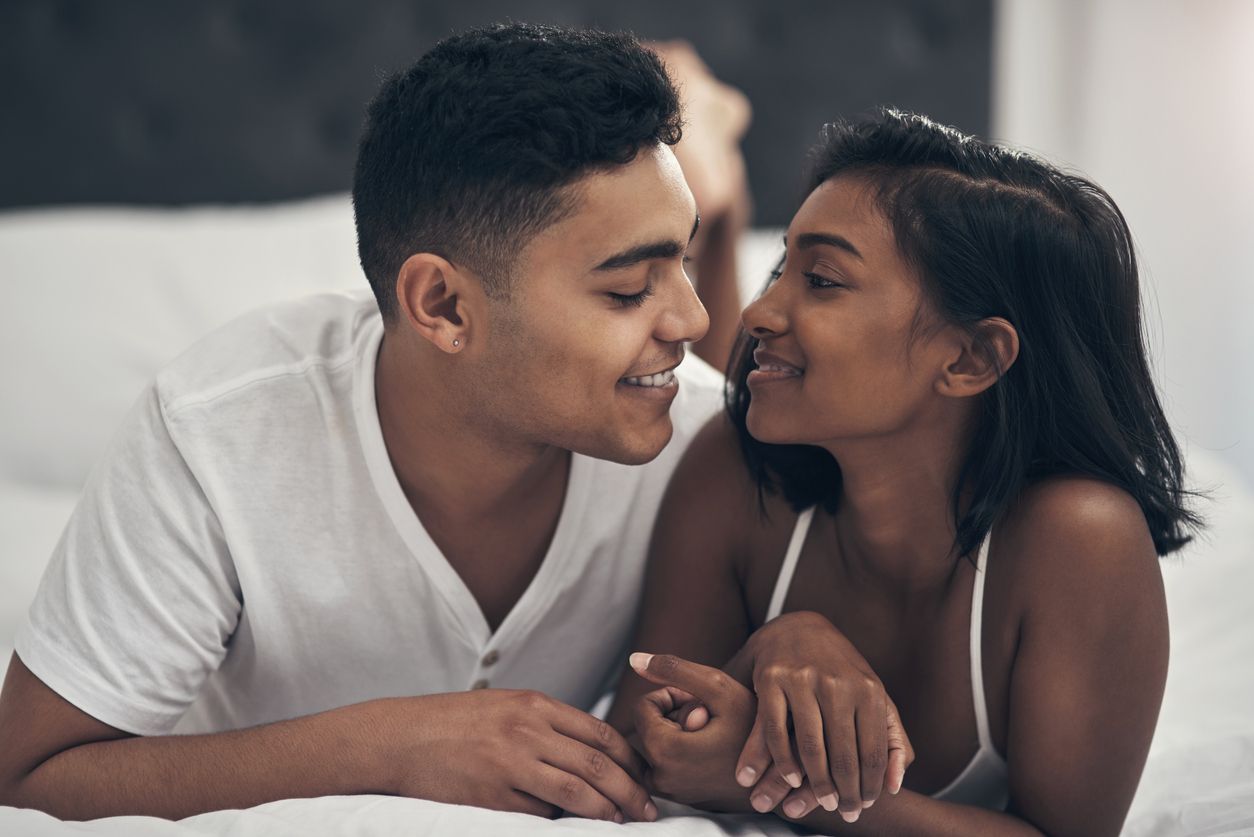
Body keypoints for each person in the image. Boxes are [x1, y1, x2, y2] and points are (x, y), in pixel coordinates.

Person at [0, 23, 765, 823]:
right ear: (442, 305)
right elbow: (28, 776)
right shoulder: (216, 435)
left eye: (683, 258)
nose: (692, 318)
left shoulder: (706, 444)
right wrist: (391, 745)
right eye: (627, 289)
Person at [608, 109, 1199, 836]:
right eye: (779, 267)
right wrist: (780, 640)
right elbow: (641, 740)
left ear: (971, 359)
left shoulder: (1080, 540)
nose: (759, 311)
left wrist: (797, 787)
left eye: (821, 279)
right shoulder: (736, 472)